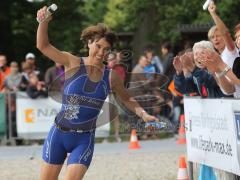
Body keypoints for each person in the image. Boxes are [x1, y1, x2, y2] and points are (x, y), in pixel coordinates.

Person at [36, 6, 158, 180]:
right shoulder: (72, 62)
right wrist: (43, 22)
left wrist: (143, 114)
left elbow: (126, 98)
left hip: (84, 139)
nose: (101, 52)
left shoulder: (111, 77)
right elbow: (43, 45)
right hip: (59, 134)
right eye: (98, 46)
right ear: (89, 43)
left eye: (106, 49)